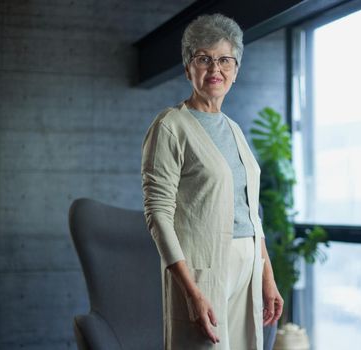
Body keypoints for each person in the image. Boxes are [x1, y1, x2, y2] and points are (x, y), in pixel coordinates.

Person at [141, 13, 283, 350]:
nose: (215, 68)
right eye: (204, 58)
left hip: (248, 268)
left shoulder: (234, 130)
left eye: (224, 60)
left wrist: (267, 276)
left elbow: (251, 213)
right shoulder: (170, 126)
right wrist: (190, 290)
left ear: (236, 70)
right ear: (188, 67)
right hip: (202, 271)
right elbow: (158, 214)